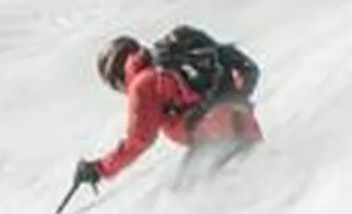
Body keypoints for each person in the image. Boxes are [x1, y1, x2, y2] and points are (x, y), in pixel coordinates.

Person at [73, 24, 262, 190]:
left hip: (214, 138)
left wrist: (99, 169)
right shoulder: (170, 63)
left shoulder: (143, 85)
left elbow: (138, 141)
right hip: (244, 125)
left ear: (116, 76)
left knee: (185, 201)